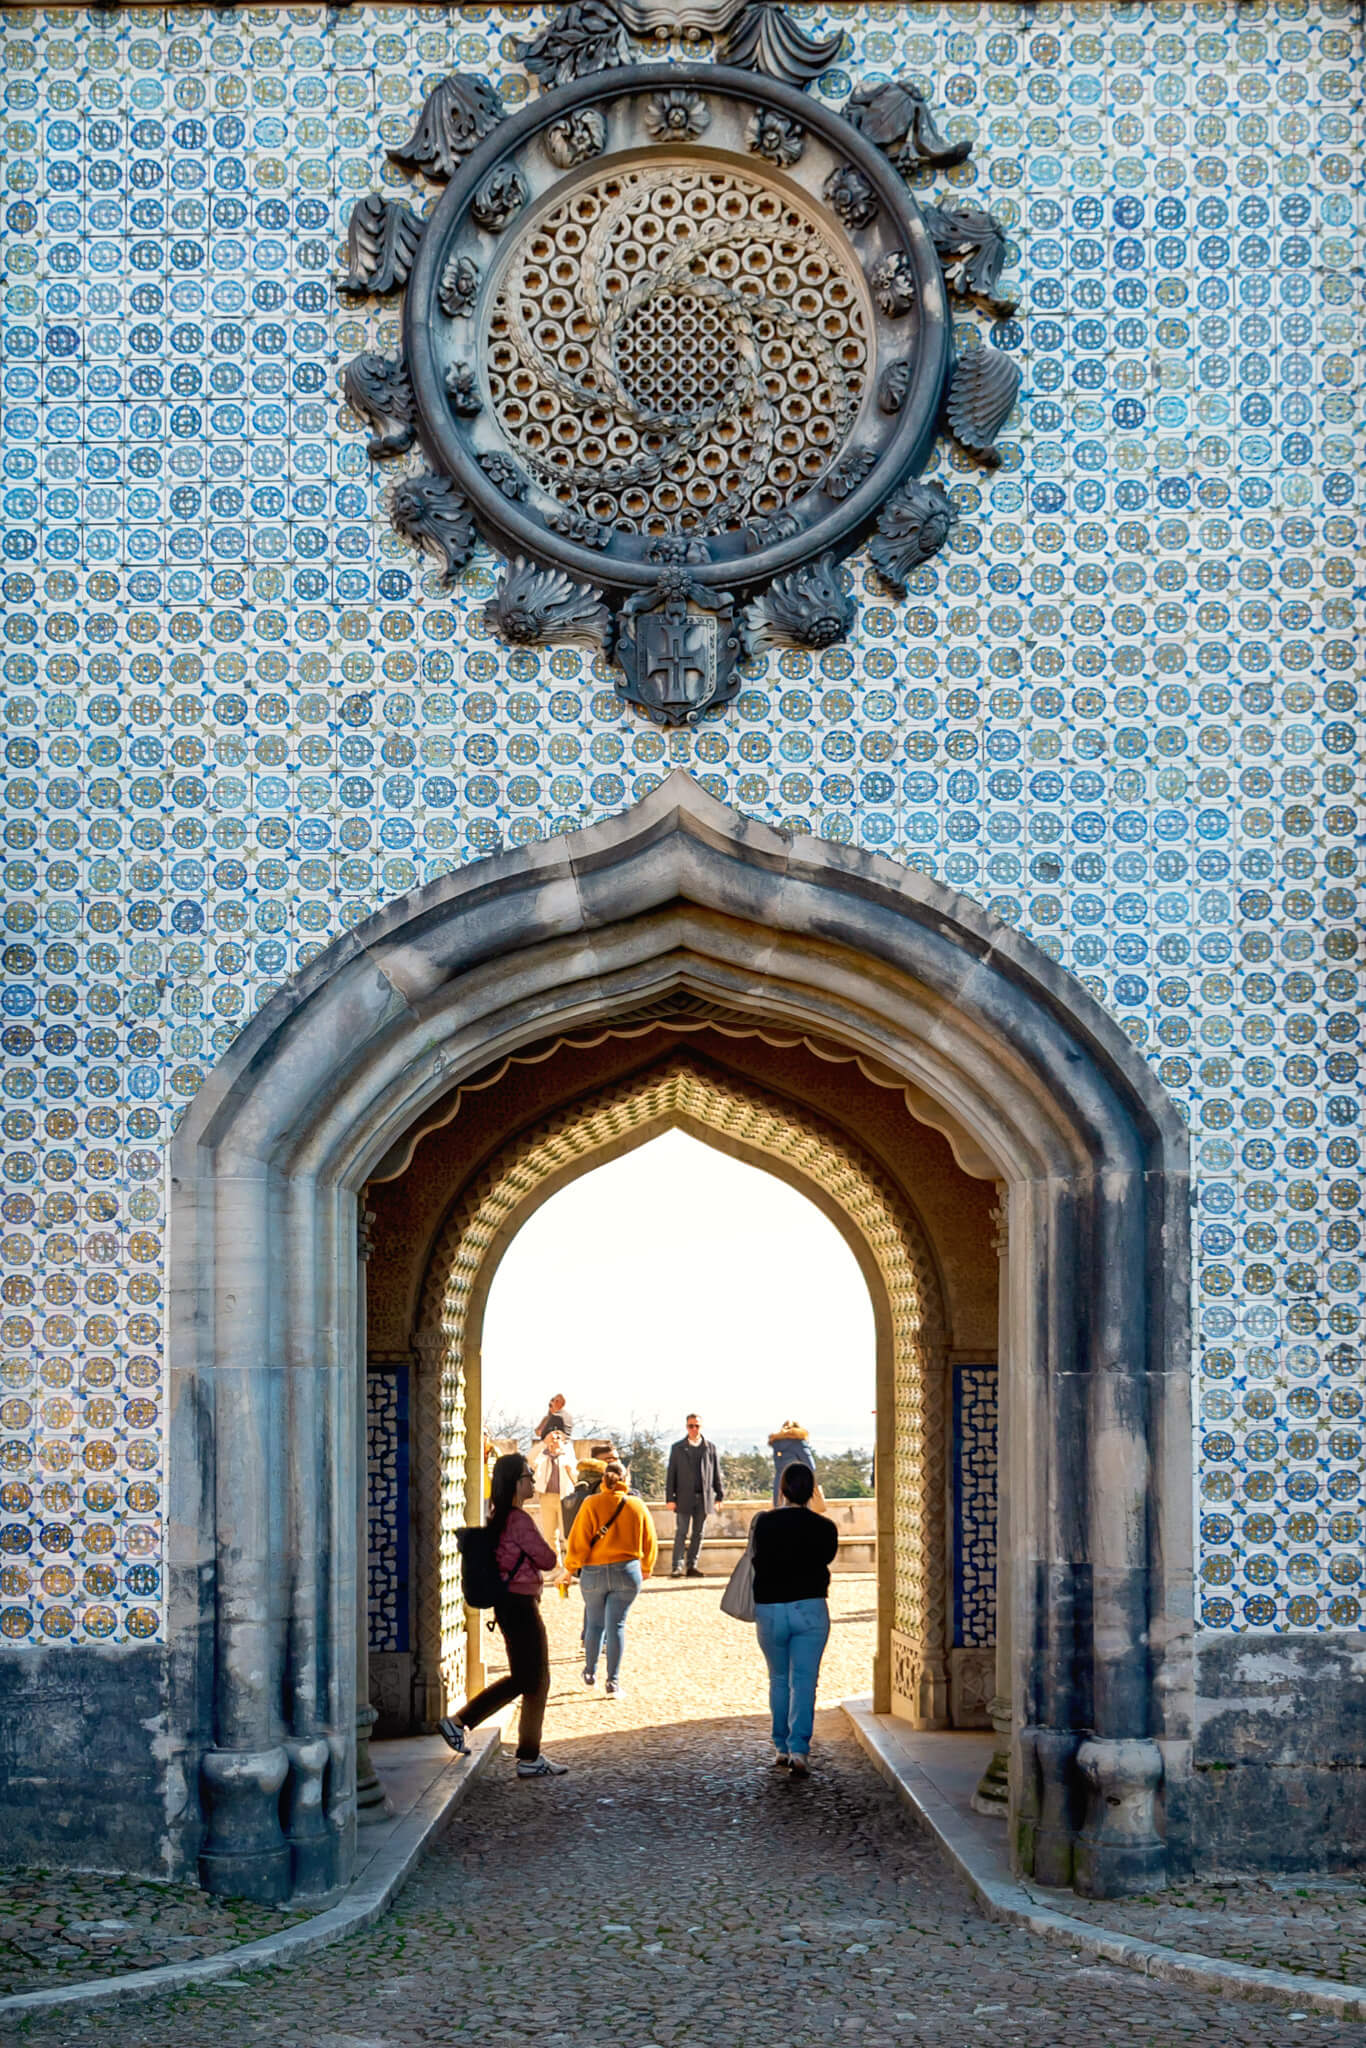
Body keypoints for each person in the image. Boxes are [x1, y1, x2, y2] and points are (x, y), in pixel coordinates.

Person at [438, 1452, 568, 1778]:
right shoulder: (518, 1520)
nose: (533, 1480)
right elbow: (548, 1559)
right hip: (521, 1606)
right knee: (535, 1680)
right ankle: (518, 1751)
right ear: (514, 1481)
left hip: (510, 1606)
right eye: (528, 1475)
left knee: (527, 1678)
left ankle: (523, 1752)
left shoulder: (500, 1517)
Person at [751, 1461, 839, 1777]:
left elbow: (758, 1559)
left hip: (771, 1607)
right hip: (810, 1606)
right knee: (804, 1680)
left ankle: (780, 1746)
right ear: (812, 1491)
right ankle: (799, 1749)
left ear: (783, 1489)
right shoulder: (825, 1527)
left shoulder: (764, 1523)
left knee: (778, 1678)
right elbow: (827, 1557)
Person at [564, 1457, 658, 1697]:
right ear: (625, 1480)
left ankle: (589, 1671)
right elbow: (650, 1541)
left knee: (595, 1624)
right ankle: (613, 1681)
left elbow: (578, 1540)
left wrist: (571, 1567)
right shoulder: (637, 1505)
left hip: (594, 1571)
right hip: (627, 1571)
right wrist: (646, 1566)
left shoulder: (591, 1503)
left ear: (603, 1481)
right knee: (616, 1625)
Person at [664, 1413, 725, 1578]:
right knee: (681, 1532)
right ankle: (677, 1566)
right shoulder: (677, 1448)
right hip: (683, 1498)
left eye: (697, 1426)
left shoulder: (710, 1447)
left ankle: (692, 1566)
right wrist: (670, 1498)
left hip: (704, 1498)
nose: (694, 1429)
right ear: (686, 1427)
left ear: (701, 1427)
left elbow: (716, 1474)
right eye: (691, 1426)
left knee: (698, 1533)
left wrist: (720, 1496)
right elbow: (671, 1474)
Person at [530, 1428, 577, 1547]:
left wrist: (559, 1452)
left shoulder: (568, 1456)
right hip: (547, 1496)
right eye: (553, 1438)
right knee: (549, 1534)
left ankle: (569, 1564)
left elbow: (575, 1473)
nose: (554, 1440)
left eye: (558, 1438)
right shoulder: (543, 1456)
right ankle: (555, 1564)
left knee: (567, 1533)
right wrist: (544, 1443)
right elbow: (530, 1459)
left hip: (565, 1497)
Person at [768, 1420, 817, 1507]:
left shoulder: (777, 1445)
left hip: (780, 1488)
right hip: (798, 1489)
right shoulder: (799, 1443)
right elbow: (811, 1466)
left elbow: (778, 1467)